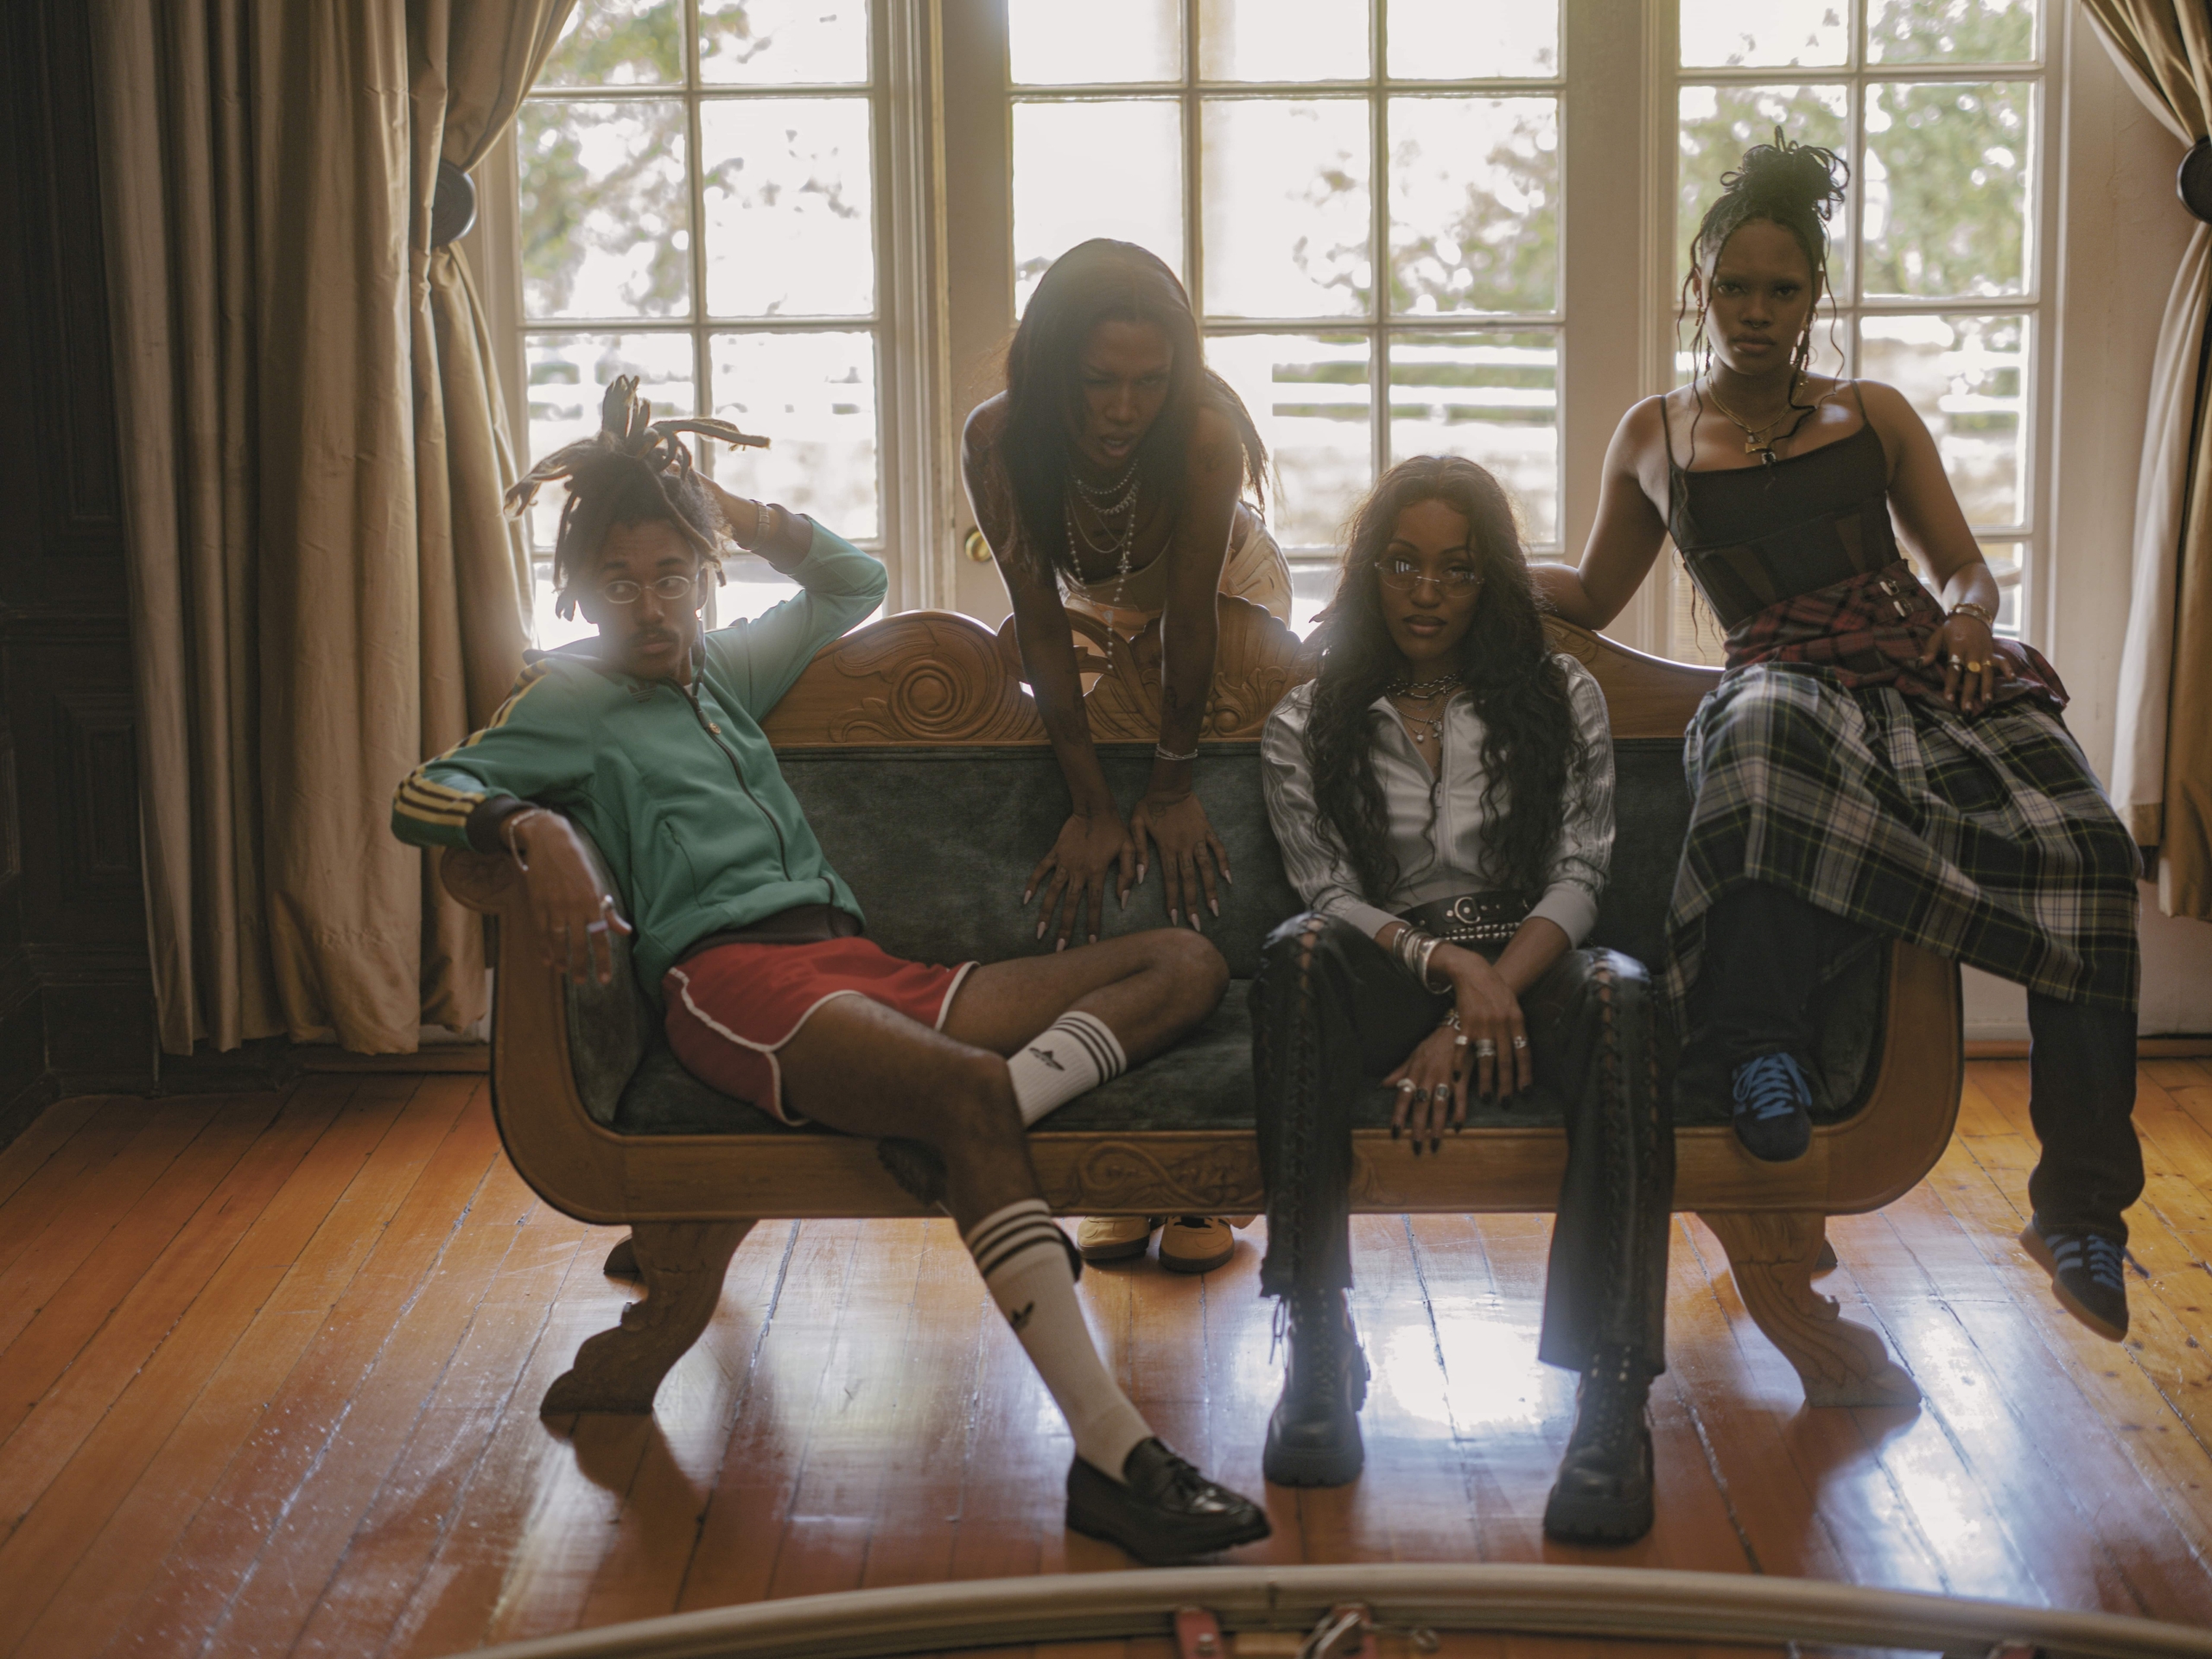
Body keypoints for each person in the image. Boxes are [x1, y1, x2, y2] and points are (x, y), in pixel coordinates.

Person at [389, 381, 1270, 1565]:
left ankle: (962, 1133)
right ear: (579, 591)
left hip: (859, 967)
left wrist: (737, 513)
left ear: (702, 580)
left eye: (672, 577)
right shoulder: (572, 701)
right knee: (964, 1090)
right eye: (619, 583)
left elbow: (855, 583)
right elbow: (424, 791)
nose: (650, 607)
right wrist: (532, 827)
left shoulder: (723, 674)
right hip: (735, 983)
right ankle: (1115, 1456)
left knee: (1184, 961)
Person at [1535, 136, 2144, 1343]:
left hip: (1917, 668)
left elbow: (1962, 565)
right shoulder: (1655, 436)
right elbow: (1593, 594)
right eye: (1735, 287)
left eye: (1783, 289)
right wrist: (1469, 567)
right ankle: (1756, 1054)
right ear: (1700, 286)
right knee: (1763, 732)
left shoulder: (1872, 413)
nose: (1756, 312)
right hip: (1786, 681)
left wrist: (1968, 616)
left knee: (2092, 849)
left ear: (1816, 296)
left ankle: (2080, 1208)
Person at [1254, 454, 1672, 1545]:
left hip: (1531, 961)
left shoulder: (1559, 694)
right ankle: (1316, 1342)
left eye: (1457, 567)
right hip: (1394, 969)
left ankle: (1614, 1392)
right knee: (1294, 955)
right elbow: (1327, 892)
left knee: (1624, 994)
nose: (1427, 592)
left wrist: (1486, 994)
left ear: (1491, 580)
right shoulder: (1307, 717)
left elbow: (1580, 874)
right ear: (1369, 572)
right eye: (1402, 564)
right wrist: (1451, 977)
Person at [963, 238, 1293, 1274]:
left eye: (1149, 382)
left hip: (1224, 595)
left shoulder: (1201, 436)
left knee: (1201, 839)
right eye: (1097, 381)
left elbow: (1191, 618)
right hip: (1091, 600)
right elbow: (1036, 618)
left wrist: (1173, 780)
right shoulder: (996, 439)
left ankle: (1202, 1184)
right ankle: (1124, 1167)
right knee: (1112, 852)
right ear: (1049, 368)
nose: (1121, 410)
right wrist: (1092, 803)